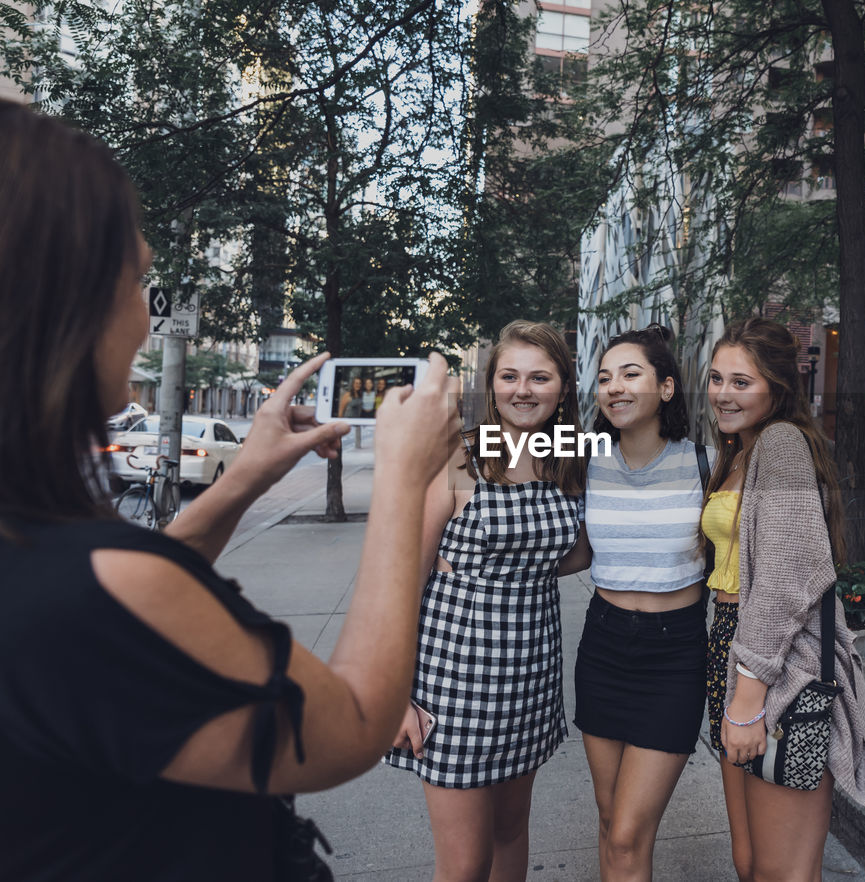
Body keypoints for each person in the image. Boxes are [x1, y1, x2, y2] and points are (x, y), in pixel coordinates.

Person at [0, 99, 462, 879]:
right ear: (65, 298)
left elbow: (119, 594)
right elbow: (349, 724)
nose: (147, 322)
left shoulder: (52, 566)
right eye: (139, 281)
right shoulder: (90, 587)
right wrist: (405, 482)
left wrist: (245, 477)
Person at [384, 320, 589, 882]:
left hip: (530, 678)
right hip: (454, 682)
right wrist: (395, 693)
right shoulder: (459, 457)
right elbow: (403, 577)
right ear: (491, 384)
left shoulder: (567, 458)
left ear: (563, 388)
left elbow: (576, 555)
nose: (523, 389)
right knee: (465, 863)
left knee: (510, 835)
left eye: (540, 377)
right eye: (509, 376)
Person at [702, 317, 865, 882]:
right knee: (752, 863)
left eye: (741, 382)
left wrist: (748, 699)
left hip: (774, 668)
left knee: (782, 873)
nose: (723, 394)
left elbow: (788, 579)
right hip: (733, 652)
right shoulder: (739, 452)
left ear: (777, 388)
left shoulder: (780, 444)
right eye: (715, 379)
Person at [575, 324, 713, 881]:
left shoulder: (707, 462)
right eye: (605, 378)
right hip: (604, 645)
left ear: (667, 387)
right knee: (611, 823)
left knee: (629, 832)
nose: (615, 388)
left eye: (631, 374)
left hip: (675, 653)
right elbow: (499, 444)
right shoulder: (582, 458)